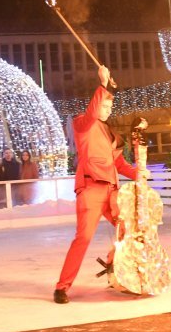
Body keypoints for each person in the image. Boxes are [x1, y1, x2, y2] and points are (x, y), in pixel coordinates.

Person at [53, 66, 144, 304]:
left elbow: (121, 164)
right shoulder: (83, 124)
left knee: (127, 229)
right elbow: (93, 111)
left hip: (112, 192)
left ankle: (117, 269)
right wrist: (103, 85)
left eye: (110, 106)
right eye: (104, 105)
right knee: (83, 237)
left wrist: (140, 175)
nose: (107, 109)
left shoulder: (111, 135)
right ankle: (62, 287)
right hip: (91, 189)